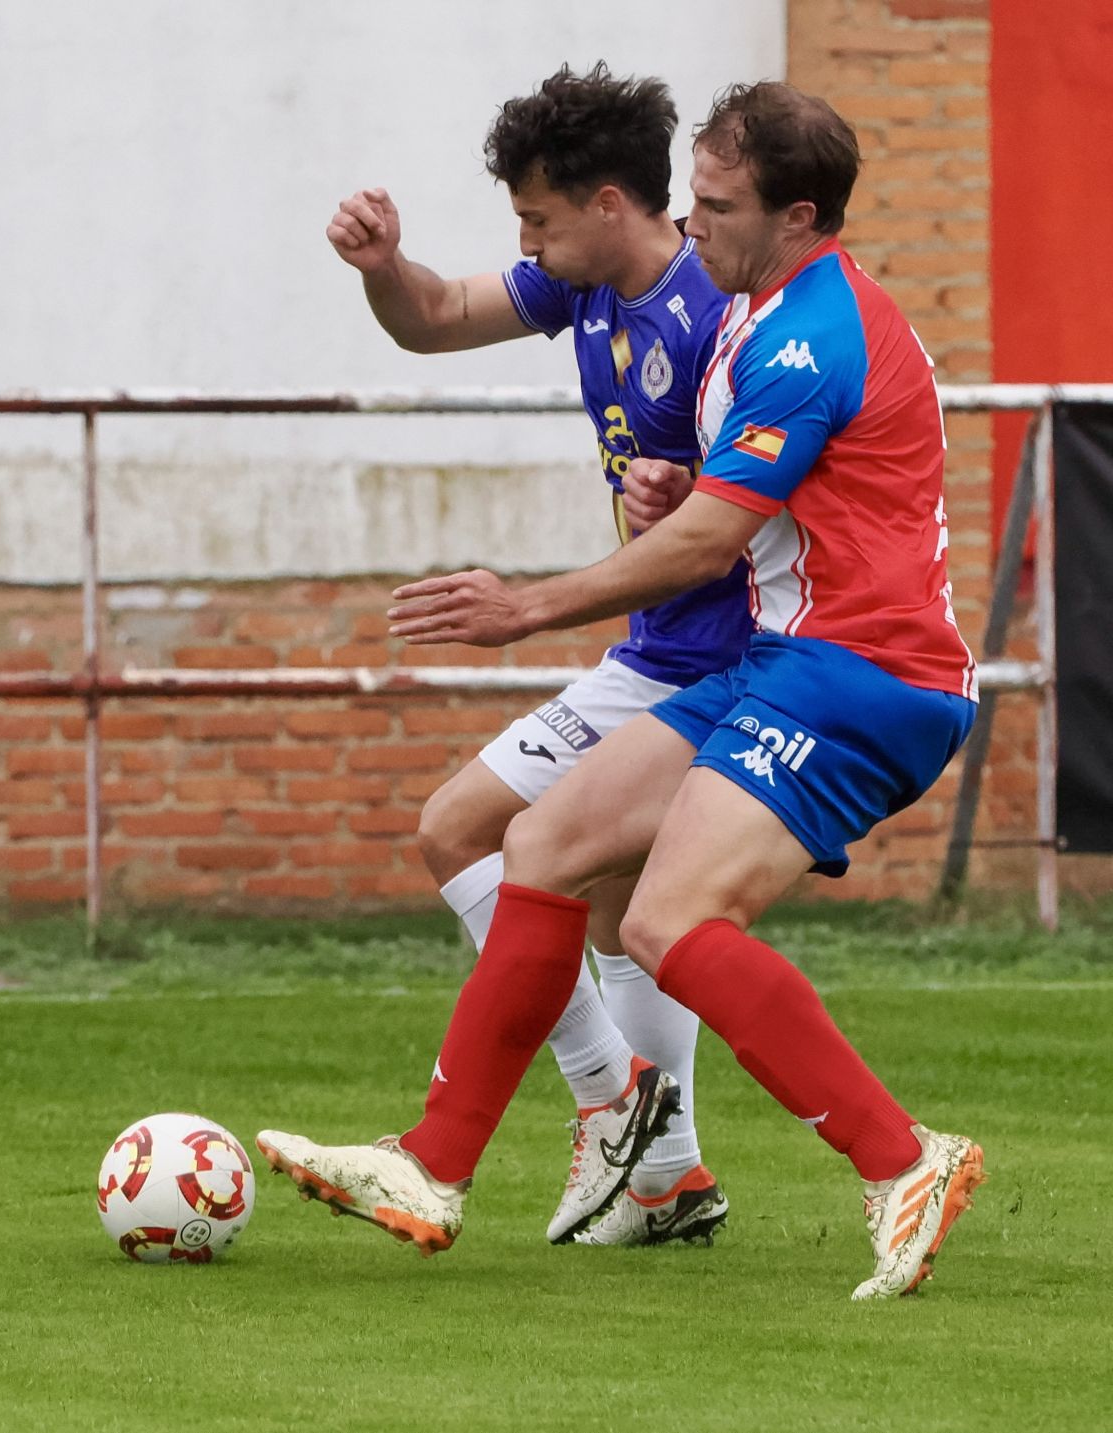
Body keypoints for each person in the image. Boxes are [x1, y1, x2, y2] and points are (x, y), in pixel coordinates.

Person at [261, 80, 986, 1300]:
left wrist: (531, 604)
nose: (691, 222)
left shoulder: (804, 337)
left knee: (661, 920)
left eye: (717, 204)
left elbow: (711, 543)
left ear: (798, 215)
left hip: (865, 676)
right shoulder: (762, 310)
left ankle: (903, 1159)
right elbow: (748, 508)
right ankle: (435, 1168)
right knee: (542, 842)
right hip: (783, 658)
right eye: (690, 196)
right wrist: (676, 495)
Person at [323, 61, 747, 1246]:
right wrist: (382, 270)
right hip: (657, 651)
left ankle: (621, 1108)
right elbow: (436, 316)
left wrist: (685, 502)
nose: (526, 241)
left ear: (611, 202)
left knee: (464, 828)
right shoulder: (585, 290)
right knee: (621, 910)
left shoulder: (717, 313)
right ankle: (662, 1171)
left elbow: (766, 509)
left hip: (723, 663)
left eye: (537, 218)